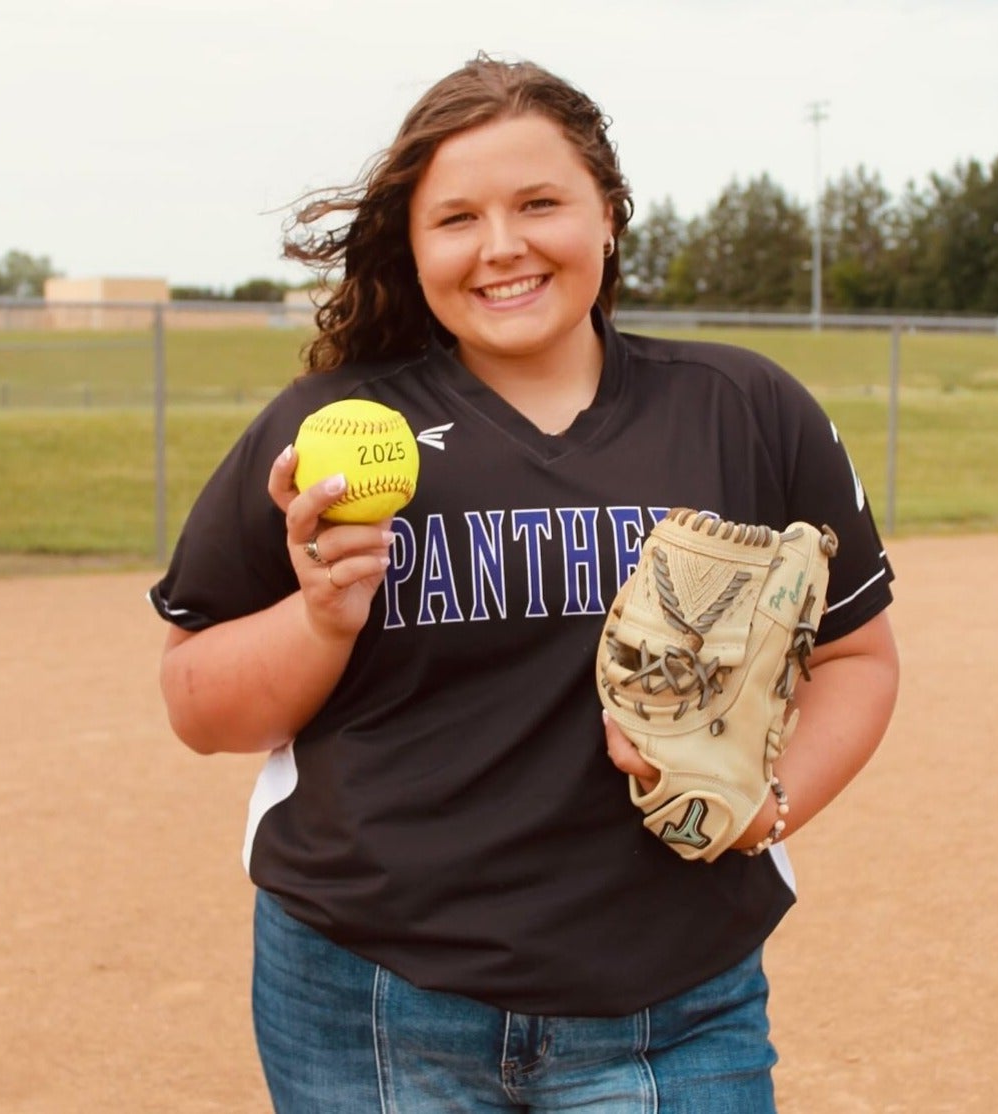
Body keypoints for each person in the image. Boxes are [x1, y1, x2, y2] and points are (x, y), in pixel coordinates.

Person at [150, 53, 899, 1113]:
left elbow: (859, 653)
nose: (501, 246)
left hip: (673, 1000)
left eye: (538, 203)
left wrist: (764, 808)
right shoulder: (327, 434)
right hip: (369, 997)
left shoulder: (744, 410)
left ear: (607, 215)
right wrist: (321, 615)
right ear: (412, 250)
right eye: (454, 218)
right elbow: (196, 706)